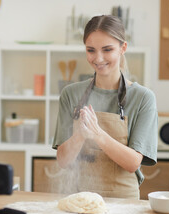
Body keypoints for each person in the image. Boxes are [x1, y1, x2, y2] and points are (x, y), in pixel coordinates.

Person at [52, 15, 158, 199]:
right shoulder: (71, 94)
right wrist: (80, 135)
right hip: (79, 199)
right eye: (91, 50)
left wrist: (97, 134)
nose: (98, 58)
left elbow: (133, 163)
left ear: (123, 48)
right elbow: (63, 160)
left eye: (107, 49)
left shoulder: (143, 98)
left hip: (124, 203)